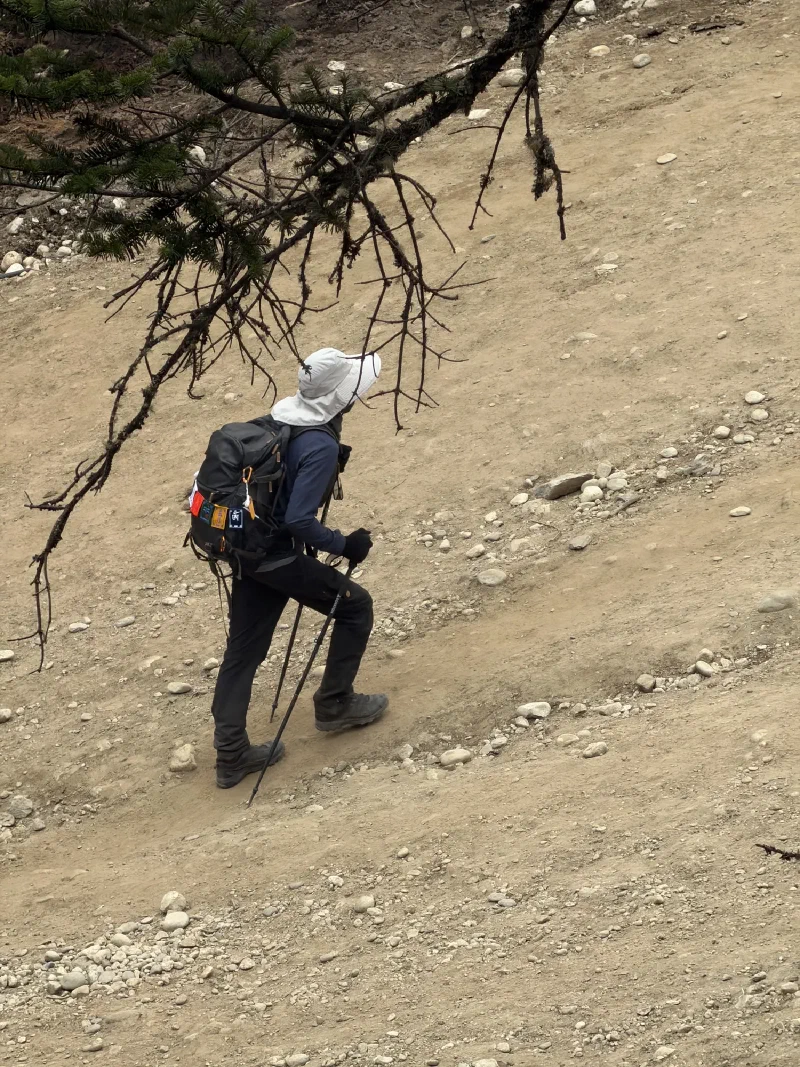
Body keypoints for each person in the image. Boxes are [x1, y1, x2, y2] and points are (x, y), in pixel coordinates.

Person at [211, 347, 388, 788]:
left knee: (243, 652)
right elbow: (299, 521)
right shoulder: (320, 445)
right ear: (341, 398)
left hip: (247, 551)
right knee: (355, 607)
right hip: (278, 556)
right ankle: (335, 704)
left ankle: (231, 755)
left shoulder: (276, 421)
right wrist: (345, 545)